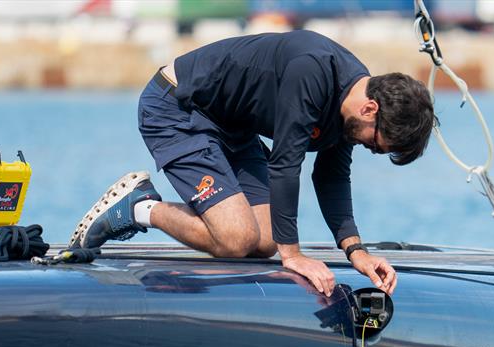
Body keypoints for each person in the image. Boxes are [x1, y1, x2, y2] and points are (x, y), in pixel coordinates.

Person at [69, 30, 434, 297]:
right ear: (370, 109)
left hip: (233, 126)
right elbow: (286, 163)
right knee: (235, 238)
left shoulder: (354, 103)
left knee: (266, 240)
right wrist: (294, 257)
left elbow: (332, 174)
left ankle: (155, 208)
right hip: (178, 108)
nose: (368, 148)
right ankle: (138, 206)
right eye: (374, 142)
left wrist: (357, 252)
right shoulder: (314, 72)